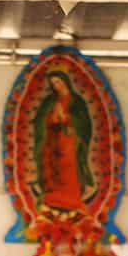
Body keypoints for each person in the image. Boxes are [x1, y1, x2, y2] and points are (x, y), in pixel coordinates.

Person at [33, 70, 93, 213]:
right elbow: (39, 121)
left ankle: (71, 199)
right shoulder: (49, 102)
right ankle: (53, 197)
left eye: (58, 82)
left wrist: (67, 117)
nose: (56, 86)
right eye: (53, 84)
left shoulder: (77, 102)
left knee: (69, 166)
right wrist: (52, 118)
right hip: (53, 140)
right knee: (54, 168)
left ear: (65, 81)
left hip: (69, 140)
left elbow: (85, 123)